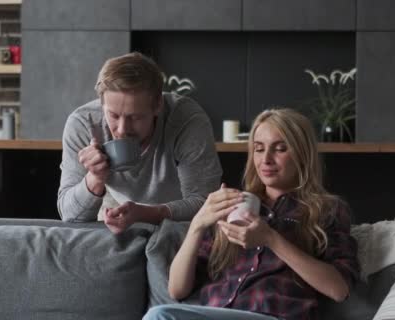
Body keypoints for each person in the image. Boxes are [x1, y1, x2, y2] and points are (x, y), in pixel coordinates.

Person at [144, 108, 360, 320]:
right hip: (218, 312)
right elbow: (177, 290)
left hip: (276, 314)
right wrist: (198, 224)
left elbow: (338, 289)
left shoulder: (326, 209)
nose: (266, 159)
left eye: (280, 148)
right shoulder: (234, 204)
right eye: (258, 149)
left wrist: (271, 239)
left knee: (161, 316)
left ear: (302, 155)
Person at [57, 52, 223, 233]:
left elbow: (205, 205)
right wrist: (95, 179)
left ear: (158, 105)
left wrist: (146, 214)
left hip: (179, 219)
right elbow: (70, 215)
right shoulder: (84, 124)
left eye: (135, 117)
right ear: (101, 104)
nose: (122, 129)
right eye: (113, 115)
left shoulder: (187, 120)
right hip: (115, 206)